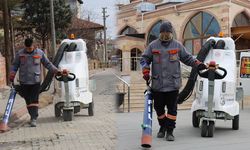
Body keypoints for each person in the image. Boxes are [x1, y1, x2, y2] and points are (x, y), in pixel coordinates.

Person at [140, 21, 206, 141]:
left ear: (171, 33)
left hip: (173, 85)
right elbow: (144, 59)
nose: (165, 35)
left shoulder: (177, 45)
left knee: (172, 110)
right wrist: (145, 71)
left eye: (167, 32)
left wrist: (198, 64)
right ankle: (163, 127)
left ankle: (170, 131)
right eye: (163, 32)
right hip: (158, 84)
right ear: (160, 33)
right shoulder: (153, 46)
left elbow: (188, 58)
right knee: (159, 109)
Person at [9, 38, 63, 127]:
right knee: (28, 101)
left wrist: (56, 71)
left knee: (34, 100)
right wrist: (12, 75)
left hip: (35, 81)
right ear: (25, 46)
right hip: (24, 81)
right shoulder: (20, 54)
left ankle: (34, 118)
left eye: (30, 48)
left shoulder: (40, 53)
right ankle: (32, 116)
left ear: (33, 45)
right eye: (27, 48)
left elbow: (48, 64)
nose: (28, 50)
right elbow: (14, 65)